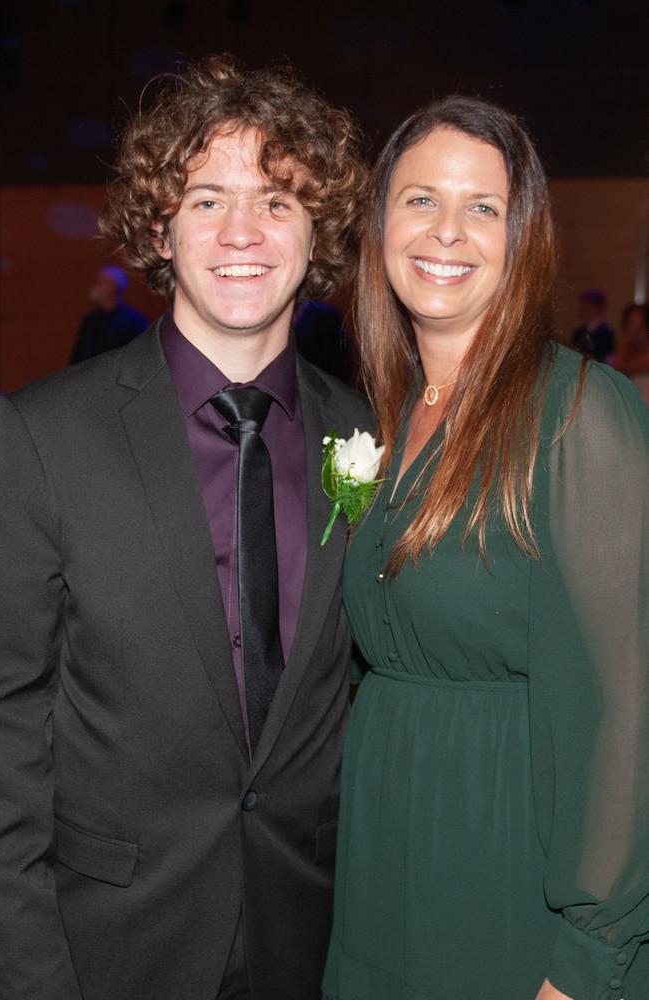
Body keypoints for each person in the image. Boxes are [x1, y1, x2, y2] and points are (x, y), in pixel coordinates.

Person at [0, 56, 369, 1000]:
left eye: (278, 202)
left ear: (315, 231)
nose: (242, 231)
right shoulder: (40, 437)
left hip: (318, 942)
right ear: (159, 228)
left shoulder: (370, 439)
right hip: (109, 949)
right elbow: (9, 735)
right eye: (207, 200)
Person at [323, 96, 649, 1000]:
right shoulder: (389, 416)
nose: (448, 232)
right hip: (388, 877)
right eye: (422, 199)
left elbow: (633, 702)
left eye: (484, 208)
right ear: (381, 220)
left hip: (510, 890)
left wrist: (587, 957)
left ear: (523, 236)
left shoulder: (579, 413)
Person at [69, 265, 149, 363]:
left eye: (98, 282)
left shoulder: (134, 321)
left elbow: (139, 358)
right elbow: (78, 360)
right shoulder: (90, 321)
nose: (93, 286)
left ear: (113, 286)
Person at [612, 302, 649, 405]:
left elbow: (622, 368)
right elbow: (615, 370)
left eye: (638, 324)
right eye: (630, 324)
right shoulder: (628, 348)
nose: (634, 327)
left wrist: (628, 337)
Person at [571, 287, 615, 362]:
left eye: (586, 307)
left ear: (597, 308)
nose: (581, 310)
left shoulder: (606, 334)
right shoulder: (578, 332)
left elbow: (606, 358)